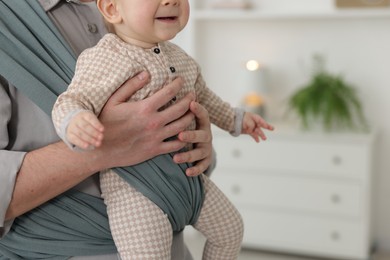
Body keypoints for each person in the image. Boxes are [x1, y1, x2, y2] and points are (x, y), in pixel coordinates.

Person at [52, 0, 275, 259]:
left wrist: (236, 119)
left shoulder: (181, 59)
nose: (170, 1)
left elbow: (205, 98)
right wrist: (75, 120)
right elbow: (71, 100)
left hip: (188, 179)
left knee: (230, 230)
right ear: (113, 9)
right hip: (136, 189)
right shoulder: (105, 57)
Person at [0, 0, 215, 259]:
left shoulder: (151, 21)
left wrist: (196, 140)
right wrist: (102, 149)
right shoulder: (7, 22)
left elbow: (200, 153)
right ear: (110, 9)